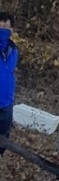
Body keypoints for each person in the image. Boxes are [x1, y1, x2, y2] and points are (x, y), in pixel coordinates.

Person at [0, 13, 19, 163]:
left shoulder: (13, 50)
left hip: (7, 104)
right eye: (1, 26)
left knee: (2, 142)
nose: (5, 30)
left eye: (8, 27)